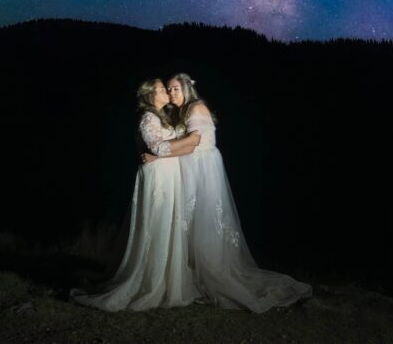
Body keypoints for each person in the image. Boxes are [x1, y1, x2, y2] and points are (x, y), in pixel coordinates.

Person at [143, 73, 312, 312]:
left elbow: (193, 144)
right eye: (169, 89)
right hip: (193, 166)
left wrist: (156, 156)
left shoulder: (196, 108)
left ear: (187, 90)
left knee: (204, 222)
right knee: (192, 224)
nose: (171, 93)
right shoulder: (183, 111)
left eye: (175, 88)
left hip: (201, 169)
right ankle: (194, 275)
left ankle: (212, 276)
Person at [71, 78, 202, 310]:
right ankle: (150, 281)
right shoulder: (149, 118)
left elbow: (170, 148)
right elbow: (159, 147)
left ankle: (168, 280)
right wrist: (185, 142)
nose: (167, 92)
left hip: (168, 175)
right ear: (151, 96)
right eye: (162, 89)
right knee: (157, 224)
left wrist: (184, 145)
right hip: (158, 178)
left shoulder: (164, 116)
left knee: (169, 225)